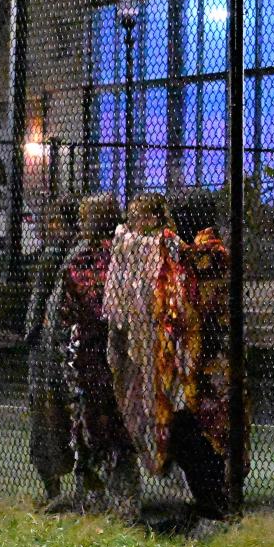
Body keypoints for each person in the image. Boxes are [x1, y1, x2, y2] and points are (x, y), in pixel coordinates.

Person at [154, 189, 248, 519]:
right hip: (204, 355)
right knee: (191, 424)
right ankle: (211, 499)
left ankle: (215, 502)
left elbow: (198, 297)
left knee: (203, 426)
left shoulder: (211, 254)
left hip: (213, 355)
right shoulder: (202, 251)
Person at [60, 194, 140, 518]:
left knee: (91, 426)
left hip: (91, 354)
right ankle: (126, 501)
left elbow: (69, 312)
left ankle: (92, 500)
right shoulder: (130, 256)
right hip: (126, 353)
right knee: (123, 425)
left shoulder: (81, 263)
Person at [104, 193, 176, 476]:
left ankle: (164, 459)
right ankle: (142, 456)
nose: (138, 222)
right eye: (133, 215)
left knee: (160, 394)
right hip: (134, 330)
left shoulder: (165, 243)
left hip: (159, 331)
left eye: (145, 215)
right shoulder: (126, 243)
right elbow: (119, 286)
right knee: (132, 401)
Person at [26, 197, 79, 502]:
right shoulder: (62, 253)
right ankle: (60, 491)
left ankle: (55, 491)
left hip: (54, 354)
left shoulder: (61, 254)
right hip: (60, 350)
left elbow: (39, 307)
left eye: (53, 220)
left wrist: (35, 334)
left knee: (48, 421)